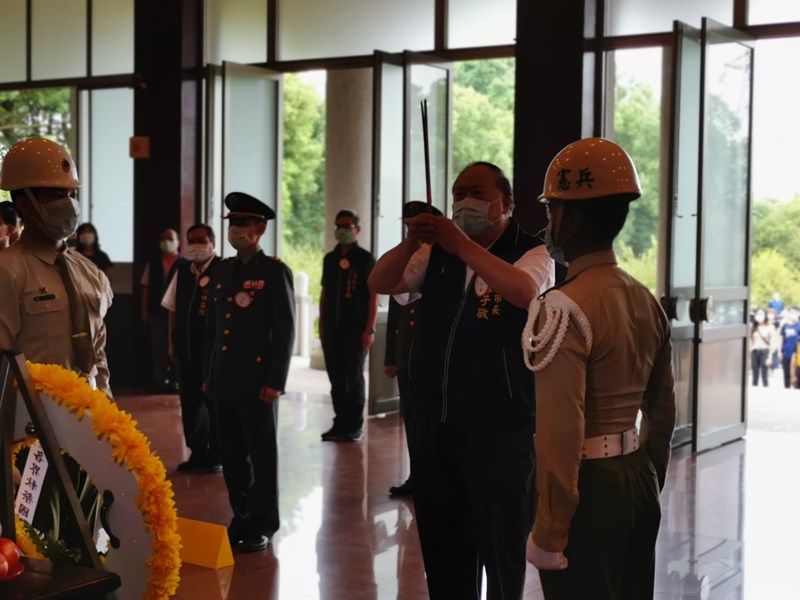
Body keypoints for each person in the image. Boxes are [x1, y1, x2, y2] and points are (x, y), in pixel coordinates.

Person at [368, 161, 554, 599]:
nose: (462, 202)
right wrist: (413, 239)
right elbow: (382, 280)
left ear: (504, 203)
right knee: (445, 548)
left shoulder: (535, 251)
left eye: (475, 192)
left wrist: (461, 244)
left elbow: (524, 293)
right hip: (437, 424)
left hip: (500, 430)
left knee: (501, 549)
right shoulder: (435, 254)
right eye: (457, 193)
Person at [523, 138, 676, 599]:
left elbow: (560, 431)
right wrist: (647, 478)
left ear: (567, 218)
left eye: (552, 213)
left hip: (587, 490)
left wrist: (550, 531)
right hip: (636, 475)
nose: (549, 223)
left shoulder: (563, 308)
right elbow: (663, 410)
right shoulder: (643, 298)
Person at [204, 192, 296, 553]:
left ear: (259, 229)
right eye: (232, 224)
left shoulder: (273, 271)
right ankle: (241, 515)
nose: (236, 230)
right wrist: (210, 374)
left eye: (243, 224)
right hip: (225, 379)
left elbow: (285, 330)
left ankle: (263, 523)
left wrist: (275, 381)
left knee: (261, 454)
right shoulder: (224, 269)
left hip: (258, 382)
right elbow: (216, 327)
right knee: (232, 455)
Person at [0, 137, 113, 397]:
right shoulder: (7, 270)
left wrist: (107, 411)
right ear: (25, 204)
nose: (69, 203)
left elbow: (98, 354)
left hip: (88, 413)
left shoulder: (89, 271)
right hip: (30, 421)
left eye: (71, 194)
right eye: (55, 195)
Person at [161, 223, 222, 473]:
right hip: (186, 350)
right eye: (191, 241)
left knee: (214, 404)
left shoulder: (224, 270)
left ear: (212, 243)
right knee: (190, 404)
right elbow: (173, 308)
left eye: (201, 240)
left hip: (213, 353)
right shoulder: (183, 270)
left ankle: (216, 454)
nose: (196, 246)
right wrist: (171, 340)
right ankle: (197, 452)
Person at [319, 209, 378, 443]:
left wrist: (369, 329)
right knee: (335, 378)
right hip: (332, 329)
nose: (342, 229)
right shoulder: (330, 259)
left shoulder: (365, 259)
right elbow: (324, 293)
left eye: (347, 225)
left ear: (357, 229)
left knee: (353, 378)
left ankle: (354, 425)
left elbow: (374, 295)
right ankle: (340, 422)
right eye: (338, 225)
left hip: (356, 331)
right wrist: (322, 326)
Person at [141, 228, 184, 392]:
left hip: (176, 314)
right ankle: (159, 381)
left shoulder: (184, 264)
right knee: (158, 347)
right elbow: (145, 288)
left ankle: (175, 382)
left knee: (175, 346)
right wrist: (143, 311)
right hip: (156, 313)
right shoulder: (152, 263)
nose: (167, 241)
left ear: (178, 242)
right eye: (164, 238)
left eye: (171, 238)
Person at [384, 295, 419, 496]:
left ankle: (429, 477)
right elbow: (394, 316)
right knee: (411, 419)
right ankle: (415, 476)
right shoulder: (403, 272)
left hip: (430, 357)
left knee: (427, 424)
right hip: (405, 354)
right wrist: (390, 357)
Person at [750, 308, 776, 387]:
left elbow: (773, 342)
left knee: (764, 374)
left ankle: (765, 392)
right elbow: (750, 340)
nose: (759, 316)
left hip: (765, 351)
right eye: (758, 314)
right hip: (754, 351)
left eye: (761, 314)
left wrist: (770, 357)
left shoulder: (770, 327)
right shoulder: (753, 327)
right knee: (755, 374)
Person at [779, 306, 800, 389]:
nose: (793, 314)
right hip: (786, 353)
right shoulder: (785, 326)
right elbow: (781, 339)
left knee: (796, 375)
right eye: (791, 312)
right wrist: (779, 351)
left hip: (796, 355)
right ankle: (786, 390)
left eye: (795, 312)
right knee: (786, 374)